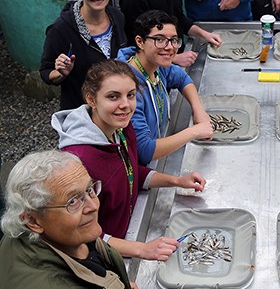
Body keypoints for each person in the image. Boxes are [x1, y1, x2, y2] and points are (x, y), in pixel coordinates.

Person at [0, 150, 149, 289]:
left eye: (90, 190)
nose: (93, 206)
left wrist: (114, 283)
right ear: (32, 220)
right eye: (73, 201)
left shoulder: (25, 239)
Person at [51, 60, 206, 260]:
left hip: (126, 234)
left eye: (130, 95)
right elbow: (79, 233)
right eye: (113, 96)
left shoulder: (121, 128)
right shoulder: (78, 161)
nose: (125, 105)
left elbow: (131, 170)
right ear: (91, 99)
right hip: (103, 254)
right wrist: (141, 249)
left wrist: (176, 181)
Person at [118, 10, 214, 163]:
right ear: (140, 42)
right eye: (160, 40)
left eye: (174, 40)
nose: (169, 47)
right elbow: (144, 151)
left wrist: (198, 110)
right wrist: (194, 132)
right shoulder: (127, 89)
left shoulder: (156, 64)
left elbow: (182, 79)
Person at [40, 0, 126, 111]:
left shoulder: (117, 17)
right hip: (82, 113)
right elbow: (46, 72)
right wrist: (61, 73)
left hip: (116, 109)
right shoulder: (61, 29)